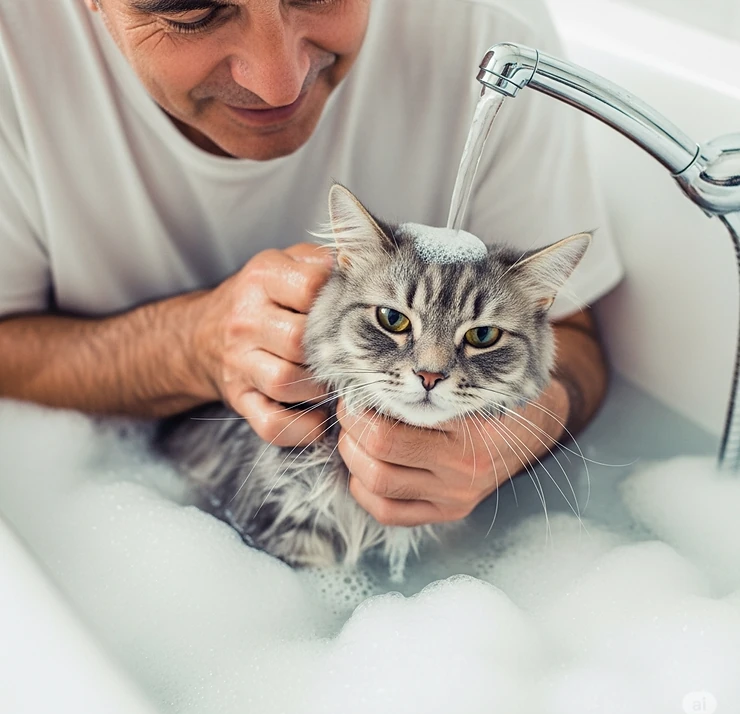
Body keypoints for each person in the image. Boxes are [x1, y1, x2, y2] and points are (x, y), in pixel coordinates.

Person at [0, 0, 623, 527]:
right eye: (194, 13)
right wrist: (186, 345)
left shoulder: (496, 35)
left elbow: (572, 336)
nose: (279, 82)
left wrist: (515, 434)